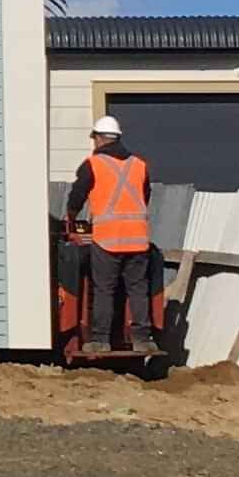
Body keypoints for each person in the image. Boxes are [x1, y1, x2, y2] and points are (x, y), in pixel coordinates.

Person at [63, 115, 158, 360]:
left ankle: (100, 341)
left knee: (104, 289)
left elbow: (76, 197)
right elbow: (144, 196)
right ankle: (142, 340)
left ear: (99, 138)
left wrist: (71, 218)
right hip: (138, 239)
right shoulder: (139, 164)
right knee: (138, 289)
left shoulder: (93, 164)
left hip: (107, 240)